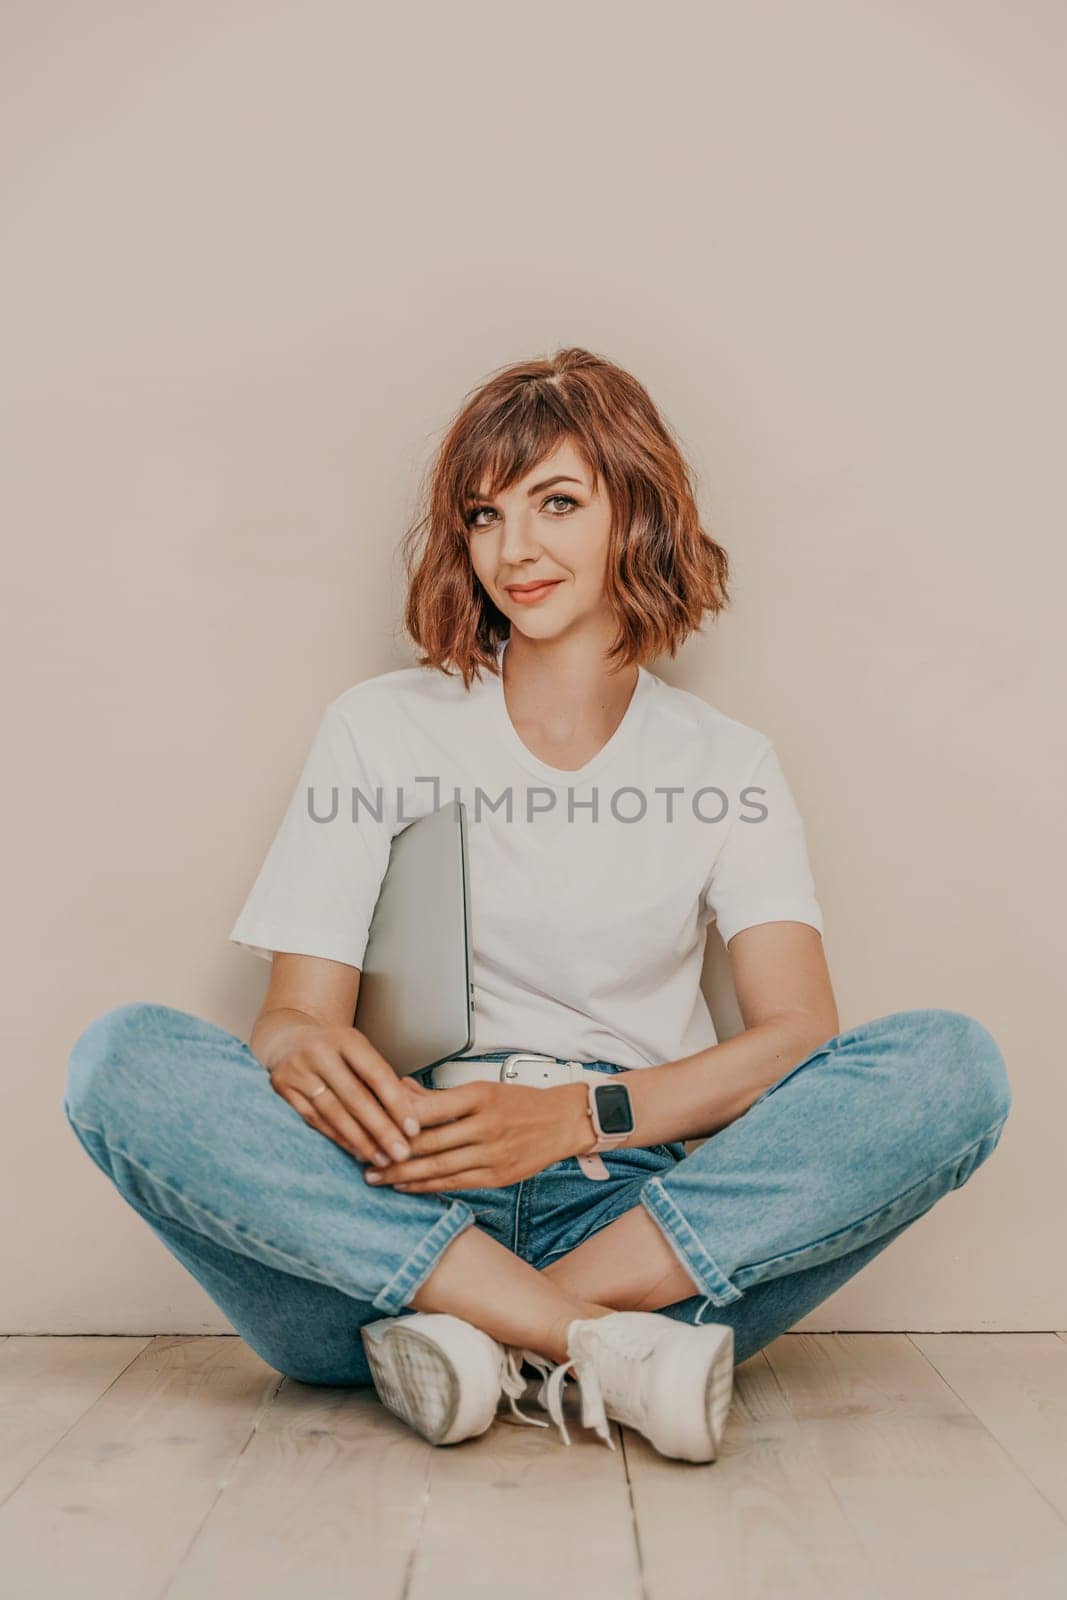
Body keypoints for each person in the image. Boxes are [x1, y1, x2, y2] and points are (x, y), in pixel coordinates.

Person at [63, 347, 1013, 1464]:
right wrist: (309, 1058)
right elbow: (294, 1015)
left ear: (634, 511)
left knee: (951, 1066)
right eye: (483, 514)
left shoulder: (727, 761)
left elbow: (796, 1032)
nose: (514, 548)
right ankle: (582, 1344)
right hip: (394, 1208)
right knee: (121, 1059)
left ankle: (467, 1340)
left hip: (640, 1219)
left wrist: (574, 1120)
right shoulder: (381, 726)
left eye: (555, 502)